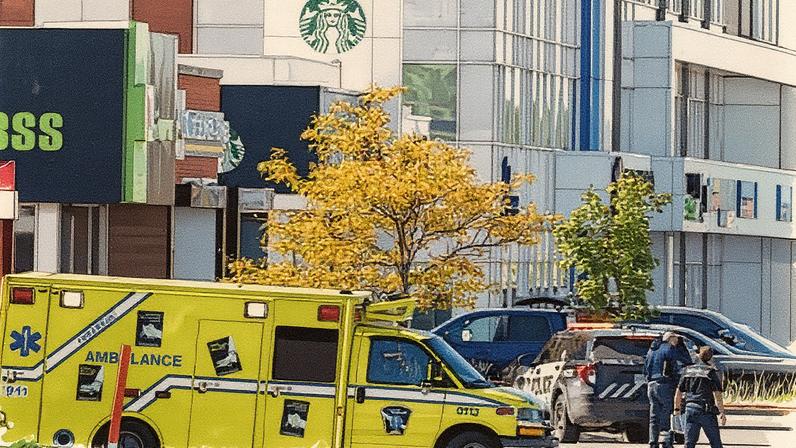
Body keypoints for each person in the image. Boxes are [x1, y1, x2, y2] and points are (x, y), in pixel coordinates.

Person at [645, 331, 694, 448]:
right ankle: (667, 441)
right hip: (665, 385)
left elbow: (646, 367)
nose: (678, 341)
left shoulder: (652, 350)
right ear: (671, 339)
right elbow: (682, 364)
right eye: (676, 339)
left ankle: (653, 442)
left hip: (651, 384)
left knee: (654, 416)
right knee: (668, 414)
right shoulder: (670, 349)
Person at [674, 347, 726, 448]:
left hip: (690, 409)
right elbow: (717, 393)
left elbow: (679, 392)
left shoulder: (687, 370)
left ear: (698, 356)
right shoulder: (710, 372)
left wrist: (677, 409)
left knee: (689, 443)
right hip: (706, 410)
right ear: (710, 358)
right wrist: (722, 412)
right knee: (715, 442)